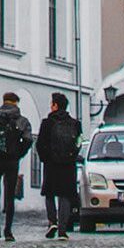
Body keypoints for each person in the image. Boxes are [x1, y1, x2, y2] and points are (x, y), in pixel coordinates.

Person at [0, 93, 34, 241]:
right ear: (16, 103)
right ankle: (8, 231)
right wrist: (19, 153)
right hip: (12, 161)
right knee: (10, 196)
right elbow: (28, 139)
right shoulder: (22, 121)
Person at [36, 92, 83, 240]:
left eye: (52, 104)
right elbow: (79, 142)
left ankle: (52, 222)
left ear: (55, 106)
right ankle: (63, 230)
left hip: (51, 164)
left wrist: (46, 159)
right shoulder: (75, 124)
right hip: (68, 165)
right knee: (65, 196)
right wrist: (72, 156)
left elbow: (39, 144)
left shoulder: (47, 123)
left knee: (49, 193)